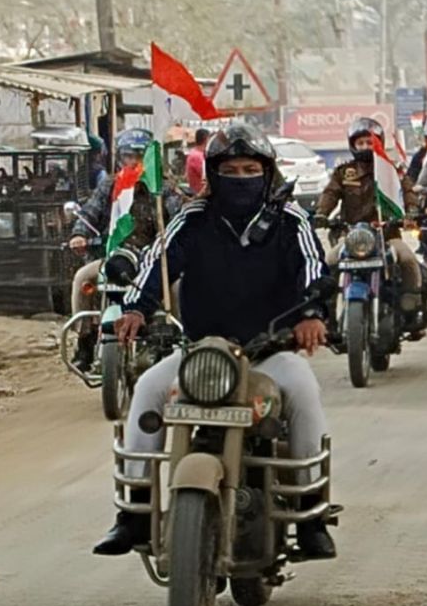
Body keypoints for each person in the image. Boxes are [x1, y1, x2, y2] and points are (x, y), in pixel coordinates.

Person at [94, 124, 337, 558]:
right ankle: (132, 515)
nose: (240, 178)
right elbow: (159, 262)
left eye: (249, 169)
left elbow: (313, 266)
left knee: (303, 392)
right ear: (212, 172)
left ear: (266, 173)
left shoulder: (290, 220)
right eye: (230, 169)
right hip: (203, 353)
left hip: (270, 352)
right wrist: (134, 308)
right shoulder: (193, 218)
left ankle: (311, 516)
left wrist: (313, 314)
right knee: (149, 389)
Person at [66, 128, 183, 371]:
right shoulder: (110, 185)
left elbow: (179, 221)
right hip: (116, 256)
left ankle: (182, 341)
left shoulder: (164, 188)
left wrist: (169, 243)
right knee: (81, 279)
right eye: (128, 157)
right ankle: (85, 342)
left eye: (138, 157)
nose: (132, 162)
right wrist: (79, 234)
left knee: (178, 288)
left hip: (155, 261)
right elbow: (90, 211)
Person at [314, 117, 426, 339]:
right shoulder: (343, 172)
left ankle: (411, 309)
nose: (365, 147)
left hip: (387, 234)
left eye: (369, 142)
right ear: (352, 145)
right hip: (353, 236)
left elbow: (409, 191)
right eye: (361, 143)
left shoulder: (391, 169)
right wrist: (321, 214)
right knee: (329, 263)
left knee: (408, 260)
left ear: (379, 143)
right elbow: (330, 194)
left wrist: (411, 211)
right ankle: (325, 316)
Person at [184, 127, 210, 194]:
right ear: (206, 139)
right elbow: (207, 176)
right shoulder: (197, 156)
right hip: (200, 193)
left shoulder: (196, 153)